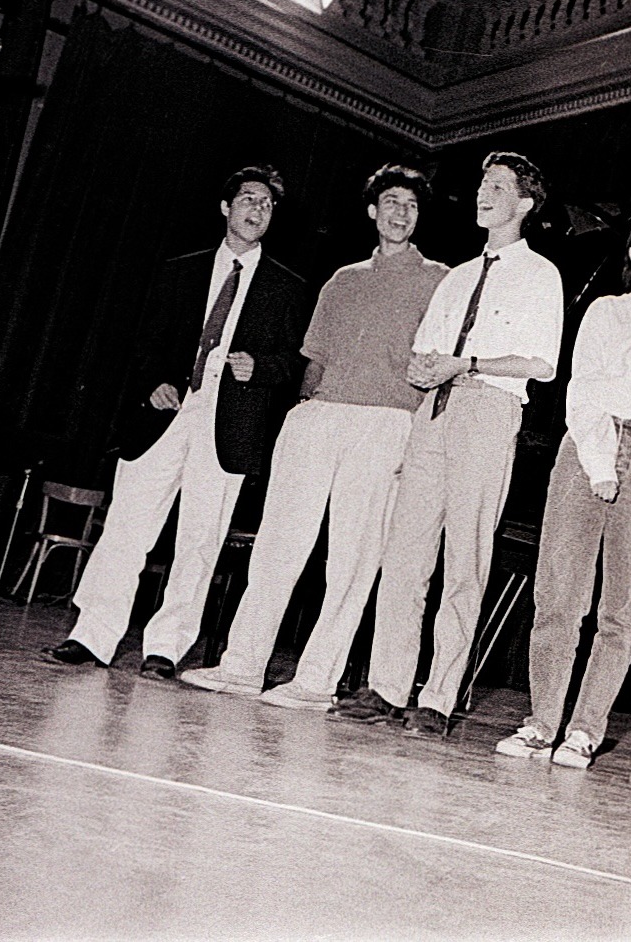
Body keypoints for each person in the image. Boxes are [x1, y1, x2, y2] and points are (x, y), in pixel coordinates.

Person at [179, 165, 448, 708]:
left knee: (351, 558)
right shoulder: (342, 279)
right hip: (319, 417)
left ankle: (316, 681)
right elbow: (314, 359)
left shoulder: (440, 279)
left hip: (387, 421)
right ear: (373, 212)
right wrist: (307, 408)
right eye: (391, 202)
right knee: (277, 546)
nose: (400, 213)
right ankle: (241, 667)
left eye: (411, 207)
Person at [328, 152, 563, 738]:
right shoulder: (456, 277)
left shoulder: (541, 275)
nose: (484, 192)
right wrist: (425, 367)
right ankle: (386, 685)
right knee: (406, 554)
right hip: (432, 413)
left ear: (525, 204)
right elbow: (421, 357)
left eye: (499, 186)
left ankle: (438, 695)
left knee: (465, 561)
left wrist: (468, 362)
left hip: (488, 408)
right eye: (483, 183)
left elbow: (543, 363)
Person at [43, 166, 306, 676]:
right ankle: (91, 636)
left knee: (200, 539)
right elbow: (140, 343)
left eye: (268, 205)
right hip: (166, 415)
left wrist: (262, 368)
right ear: (226, 208)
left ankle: (165, 648)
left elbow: (294, 362)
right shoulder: (178, 271)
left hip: (227, 424)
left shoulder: (286, 287)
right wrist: (154, 382)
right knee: (126, 527)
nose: (258, 210)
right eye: (249, 199)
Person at [495, 211, 631, 767]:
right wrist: (601, 464)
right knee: (558, 597)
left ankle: (585, 729)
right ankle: (540, 723)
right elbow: (588, 386)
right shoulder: (608, 310)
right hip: (588, 447)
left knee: (621, 607)